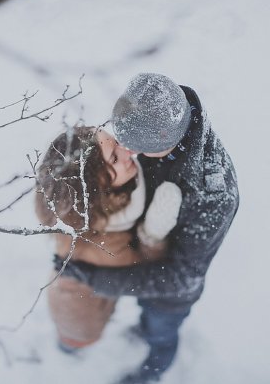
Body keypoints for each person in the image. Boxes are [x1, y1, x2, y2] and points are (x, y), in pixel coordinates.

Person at [55, 73, 240, 383]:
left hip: (168, 295)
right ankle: (141, 328)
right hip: (136, 259)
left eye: (138, 149)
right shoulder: (152, 109)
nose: (129, 154)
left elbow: (182, 279)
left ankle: (150, 373)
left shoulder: (213, 195)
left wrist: (99, 279)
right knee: (145, 321)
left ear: (165, 138)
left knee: (161, 332)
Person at [35, 126, 183, 352]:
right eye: (114, 157)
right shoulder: (102, 248)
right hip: (79, 315)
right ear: (97, 188)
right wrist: (153, 233)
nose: (128, 151)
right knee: (75, 339)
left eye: (115, 141)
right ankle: (70, 348)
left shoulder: (76, 209)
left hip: (72, 293)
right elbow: (147, 269)